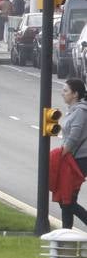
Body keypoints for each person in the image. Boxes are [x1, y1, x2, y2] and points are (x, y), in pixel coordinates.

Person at [57, 78, 87, 229]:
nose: (62, 93)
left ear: (75, 94)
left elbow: (74, 138)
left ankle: (65, 232)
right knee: (66, 199)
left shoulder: (81, 111)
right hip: (72, 158)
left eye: (65, 91)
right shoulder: (73, 110)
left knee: (68, 200)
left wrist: (60, 155)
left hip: (79, 160)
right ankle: (65, 233)